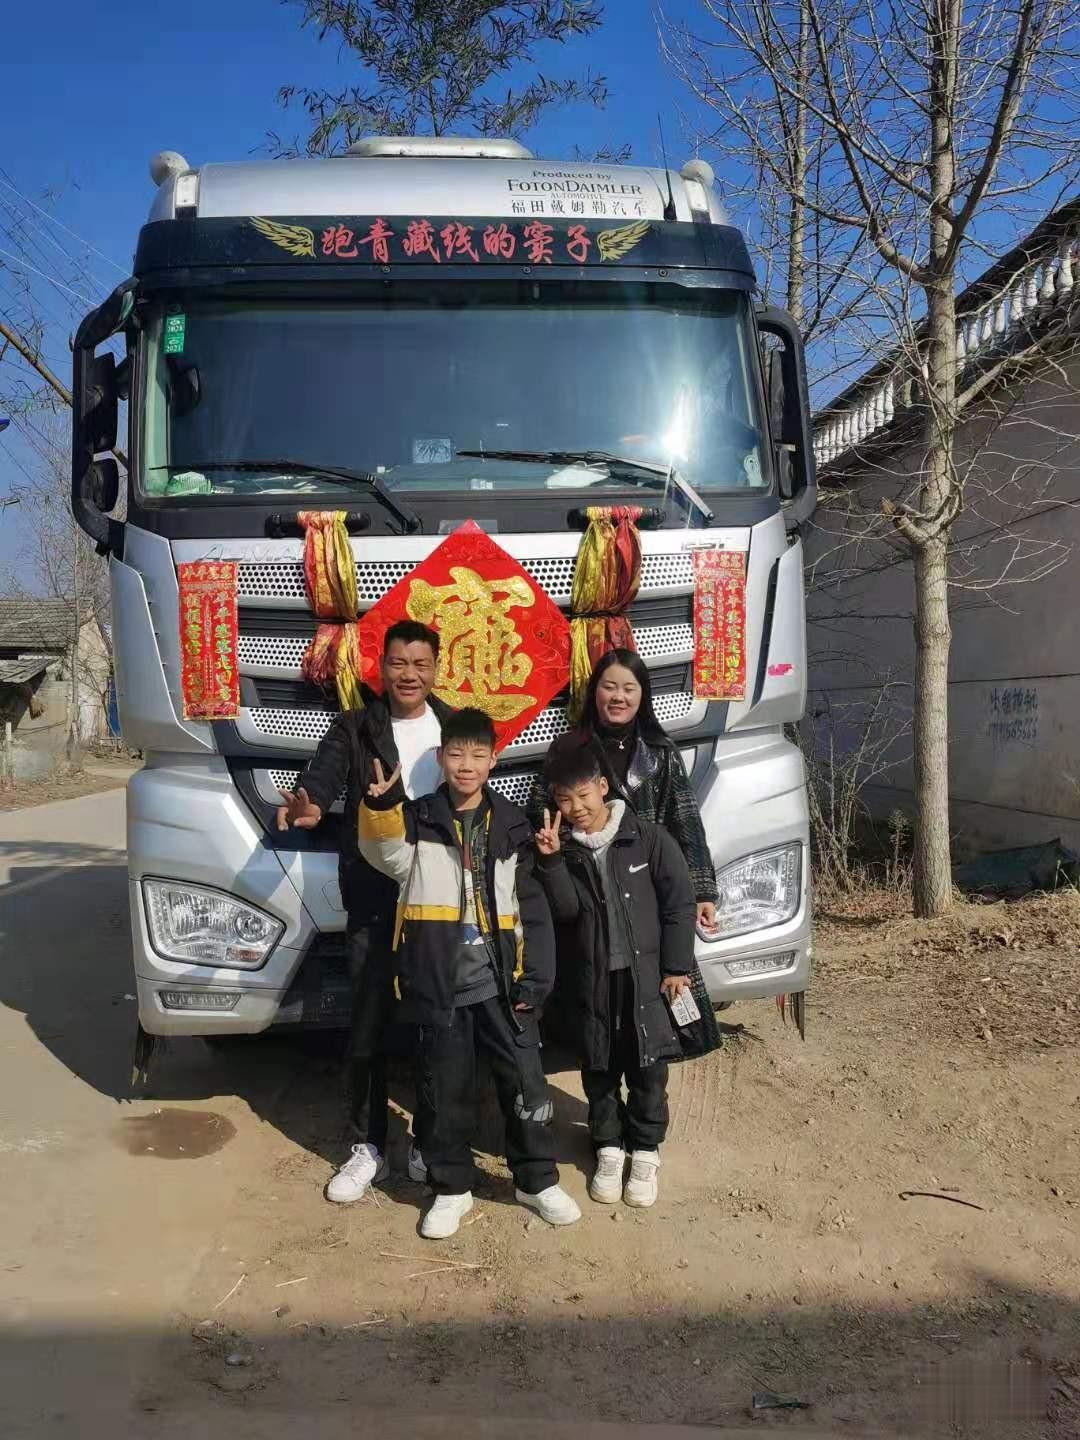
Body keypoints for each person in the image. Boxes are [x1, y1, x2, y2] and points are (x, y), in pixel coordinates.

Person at [359, 707, 581, 1239]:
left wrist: (536, 980)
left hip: (502, 983)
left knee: (527, 1084)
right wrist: (382, 805)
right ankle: (451, 1187)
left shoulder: (512, 825)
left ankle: (536, 1180)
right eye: (456, 753)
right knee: (443, 1091)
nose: (466, 764)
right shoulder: (418, 818)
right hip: (439, 985)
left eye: (478, 754)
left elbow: (533, 911)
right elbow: (383, 854)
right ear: (441, 758)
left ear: (493, 761)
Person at [276, 619, 449, 1204]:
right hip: (373, 895)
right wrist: (312, 802)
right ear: (382, 667)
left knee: (435, 1022)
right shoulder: (356, 726)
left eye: (420, 664)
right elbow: (324, 774)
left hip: (436, 896)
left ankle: (428, 1138)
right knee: (368, 1022)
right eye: (399, 663)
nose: (409, 674)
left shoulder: (453, 725)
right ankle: (366, 1144)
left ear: (436, 669)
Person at [534, 734, 696, 1209]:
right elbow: (565, 911)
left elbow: (679, 903)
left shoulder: (648, 838)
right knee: (599, 1066)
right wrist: (550, 862)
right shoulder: (566, 850)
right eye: (565, 799)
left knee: (648, 1068)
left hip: (646, 979)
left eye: (583, 794)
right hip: (594, 981)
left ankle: (645, 1149)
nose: (576, 808)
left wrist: (676, 966)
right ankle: (607, 1145)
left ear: (603, 786)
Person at [530, 648, 719, 932]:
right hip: (591, 890)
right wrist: (575, 844)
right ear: (594, 692)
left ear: (642, 695)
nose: (619, 697)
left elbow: (687, 822)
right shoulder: (567, 748)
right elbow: (540, 812)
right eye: (609, 687)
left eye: (629, 689)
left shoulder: (661, 751)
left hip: (650, 885)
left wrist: (702, 891)